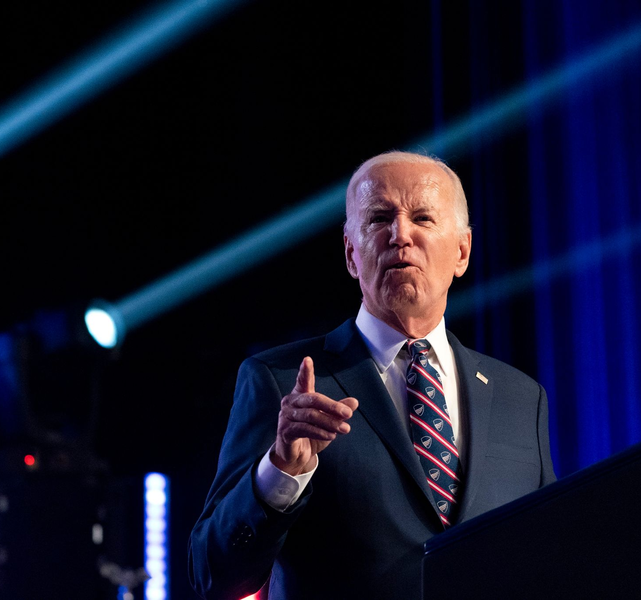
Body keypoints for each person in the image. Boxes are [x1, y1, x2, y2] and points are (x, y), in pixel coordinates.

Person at [188, 151, 556, 600]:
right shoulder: (280, 381)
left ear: (461, 251)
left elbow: (549, 553)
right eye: (379, 219)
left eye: (422, 217)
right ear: (351, 254)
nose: (400, 235)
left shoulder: (523, 398)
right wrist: (280, 472)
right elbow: (212, 574)